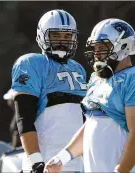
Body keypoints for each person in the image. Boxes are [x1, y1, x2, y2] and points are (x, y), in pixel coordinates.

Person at [44, 18, 135, 173]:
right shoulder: (97, 79)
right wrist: (62, 158)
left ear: (123, 45)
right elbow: (92, 125)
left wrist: (121, 170)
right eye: (95, 48)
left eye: (102, 47)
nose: (96, 53)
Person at [11, 9, 87, 173]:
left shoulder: (78, 69)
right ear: (42, 36)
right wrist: (35, 160)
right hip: (44, 163)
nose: (62, 41)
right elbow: (24, 117)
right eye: (56, 36)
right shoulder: (32, 63)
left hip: (75, 164)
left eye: (67, 36)